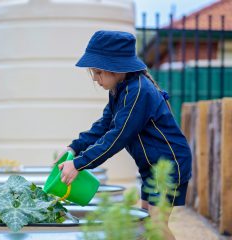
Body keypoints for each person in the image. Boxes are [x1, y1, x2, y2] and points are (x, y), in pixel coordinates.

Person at [55, 30, 192, 240]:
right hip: (151, 166)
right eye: (93, 73)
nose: (96, 79)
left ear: (116, 68)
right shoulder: (120, 90)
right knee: (145, 222)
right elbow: (103, 126)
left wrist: (79, 163)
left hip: (168, 165)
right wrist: (74, 147)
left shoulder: (138, 92)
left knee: (156, 225)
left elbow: (117, 137)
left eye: (99, 72)